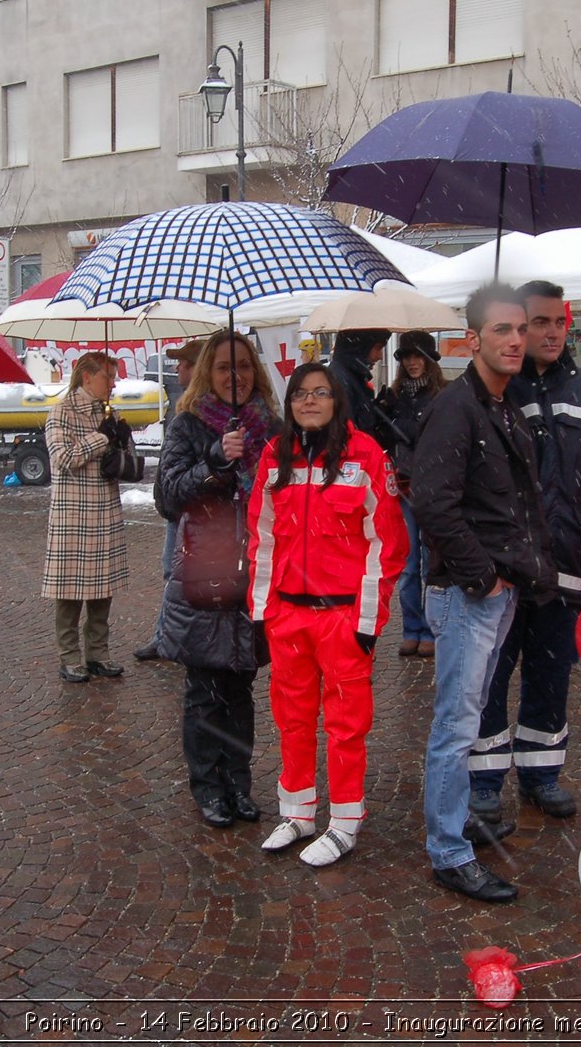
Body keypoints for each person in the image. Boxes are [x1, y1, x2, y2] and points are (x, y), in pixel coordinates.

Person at [412, 284, 553, 903]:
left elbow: (515, 504)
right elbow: (433, 503)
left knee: (465, 723)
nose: (516, 339)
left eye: (520, 328)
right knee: (456, 725)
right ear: (473, 339)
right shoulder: (457, 409)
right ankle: (447, 852)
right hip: (468, 594)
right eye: (502, 330)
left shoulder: (503, 407)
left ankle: (456, 819)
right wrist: (482, 575)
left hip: (498, 592)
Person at [470, 280, 581, 825]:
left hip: (567, 563)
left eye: (560, 322)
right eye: (540, 322)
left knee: (551, 675)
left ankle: (540, 774)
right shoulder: (494, 394)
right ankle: (485, 779)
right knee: (489, 676)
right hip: (505, 569)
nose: (553, 332)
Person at [247, 364, 407, 866]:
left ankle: (344, 822)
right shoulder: (275, 457)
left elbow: (388, 545)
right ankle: (297, 812)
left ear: (337, 401)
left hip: (342, 617)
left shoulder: (366, 457)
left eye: (320, 393)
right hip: (288, 615)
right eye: (300, 394)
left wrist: (367, 621)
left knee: (345, 725)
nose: (309, 401)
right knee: (292, 720)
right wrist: (260, 612)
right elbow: (262, 538)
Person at [155, 330, 280, 828]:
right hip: (206, 572)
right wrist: (213, 463)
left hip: (253, 573)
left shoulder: (270, 427)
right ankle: (208, 787)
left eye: (245, 367)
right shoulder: (187, 425)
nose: (237, 376)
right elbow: (168, 497)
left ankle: (239, 783)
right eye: (226, 367)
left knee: (240, 687)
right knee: (204, 688)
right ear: (209, 371)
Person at [42, 351, 128, 683]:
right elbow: (63, 457)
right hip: (73, 516)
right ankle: (69, 657)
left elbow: (119, 460)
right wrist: (102, 437)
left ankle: (98, 654)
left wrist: (123, 440)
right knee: (69, 592)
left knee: (102, 590)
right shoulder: (60, 413)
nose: (113, 382)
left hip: (104, 510)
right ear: (87, 377)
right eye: (109, 376)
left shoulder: (110, 413)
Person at [136, 338, 208, 662]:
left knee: (181, 574)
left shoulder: (200, 413)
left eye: (183, 363)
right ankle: (166, 635)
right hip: (175, 507)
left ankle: (175, 638)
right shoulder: (181, 405)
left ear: (197, 368)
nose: (177, 368)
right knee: (172, 573)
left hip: (189, 509)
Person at [374, 330, 444, 657]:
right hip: (402, 487)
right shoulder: (393, 396)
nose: (413, 362)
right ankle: (411, 627)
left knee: (431, 561)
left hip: (432, 489)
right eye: (407, 357)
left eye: (419, 356)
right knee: (407, 561)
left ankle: (430, 628)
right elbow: (383, 440)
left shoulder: (442, 395)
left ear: (430, 360)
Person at [330, 328, 390, 436]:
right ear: (361, 347)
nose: (380, 356)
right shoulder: (339, 381)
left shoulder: (354, 376)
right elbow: (348, 435)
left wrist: (379, 409)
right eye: (378, 348)